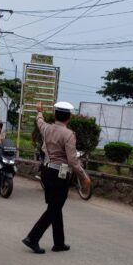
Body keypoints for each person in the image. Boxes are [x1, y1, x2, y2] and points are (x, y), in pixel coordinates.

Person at [23, 101, 91, 254]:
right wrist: (84, 177)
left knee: (55, 206)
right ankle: (32, 238)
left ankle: (59, 242)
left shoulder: (46, 128)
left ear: (55, 115)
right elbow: (73, 161)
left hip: (47, 172)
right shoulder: (69, 135)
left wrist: (39, 111)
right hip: (60, 175)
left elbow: (39, 121)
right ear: (69, 117)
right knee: (54, 207)